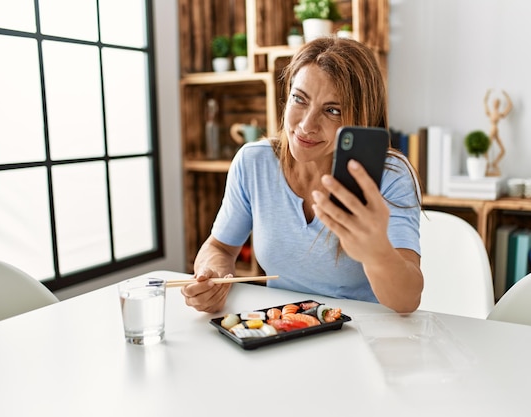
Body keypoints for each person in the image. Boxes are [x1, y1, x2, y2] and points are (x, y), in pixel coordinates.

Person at [181, 37, 423, 314]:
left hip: (362, 335)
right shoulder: (254, 163)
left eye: (332, 111)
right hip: (283, 328)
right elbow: (220, 248)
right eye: (299, 99)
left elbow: (407, 301)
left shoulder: (389, 176)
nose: (306, 126)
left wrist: (376, 251)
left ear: (361, 117)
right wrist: (211, 275)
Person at [484, 89, 513, 176]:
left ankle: (495, 163)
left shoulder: (500, 114)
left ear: (499, 104)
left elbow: (510, 106)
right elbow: (484, 103)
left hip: (496, 132)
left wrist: (506, 96)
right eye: (494, 102)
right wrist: (487, 94)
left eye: (497, 102)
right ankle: (487, 165)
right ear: (493, 104)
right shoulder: (490, 113)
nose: (496, 103)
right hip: (492, 131)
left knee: (503, 150)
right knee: (486, 149)